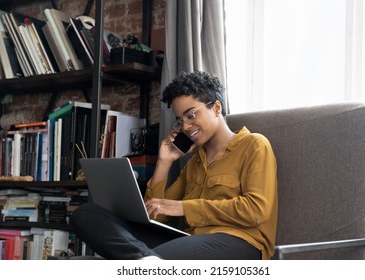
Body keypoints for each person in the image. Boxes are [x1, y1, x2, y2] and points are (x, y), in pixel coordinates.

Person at [71, 71, 278, 260]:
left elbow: (256, 210)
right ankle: (146, 261)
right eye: (180, 121)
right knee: (86, 214)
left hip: (241, 243)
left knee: (159, 255)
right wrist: (164, 161)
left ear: (216, 107)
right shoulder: (195, 162)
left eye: (191, 115)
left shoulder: (254, 145)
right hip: (190, 241)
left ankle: (145, 262)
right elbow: (157, 215)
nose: (186, 127)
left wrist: (183, 207)